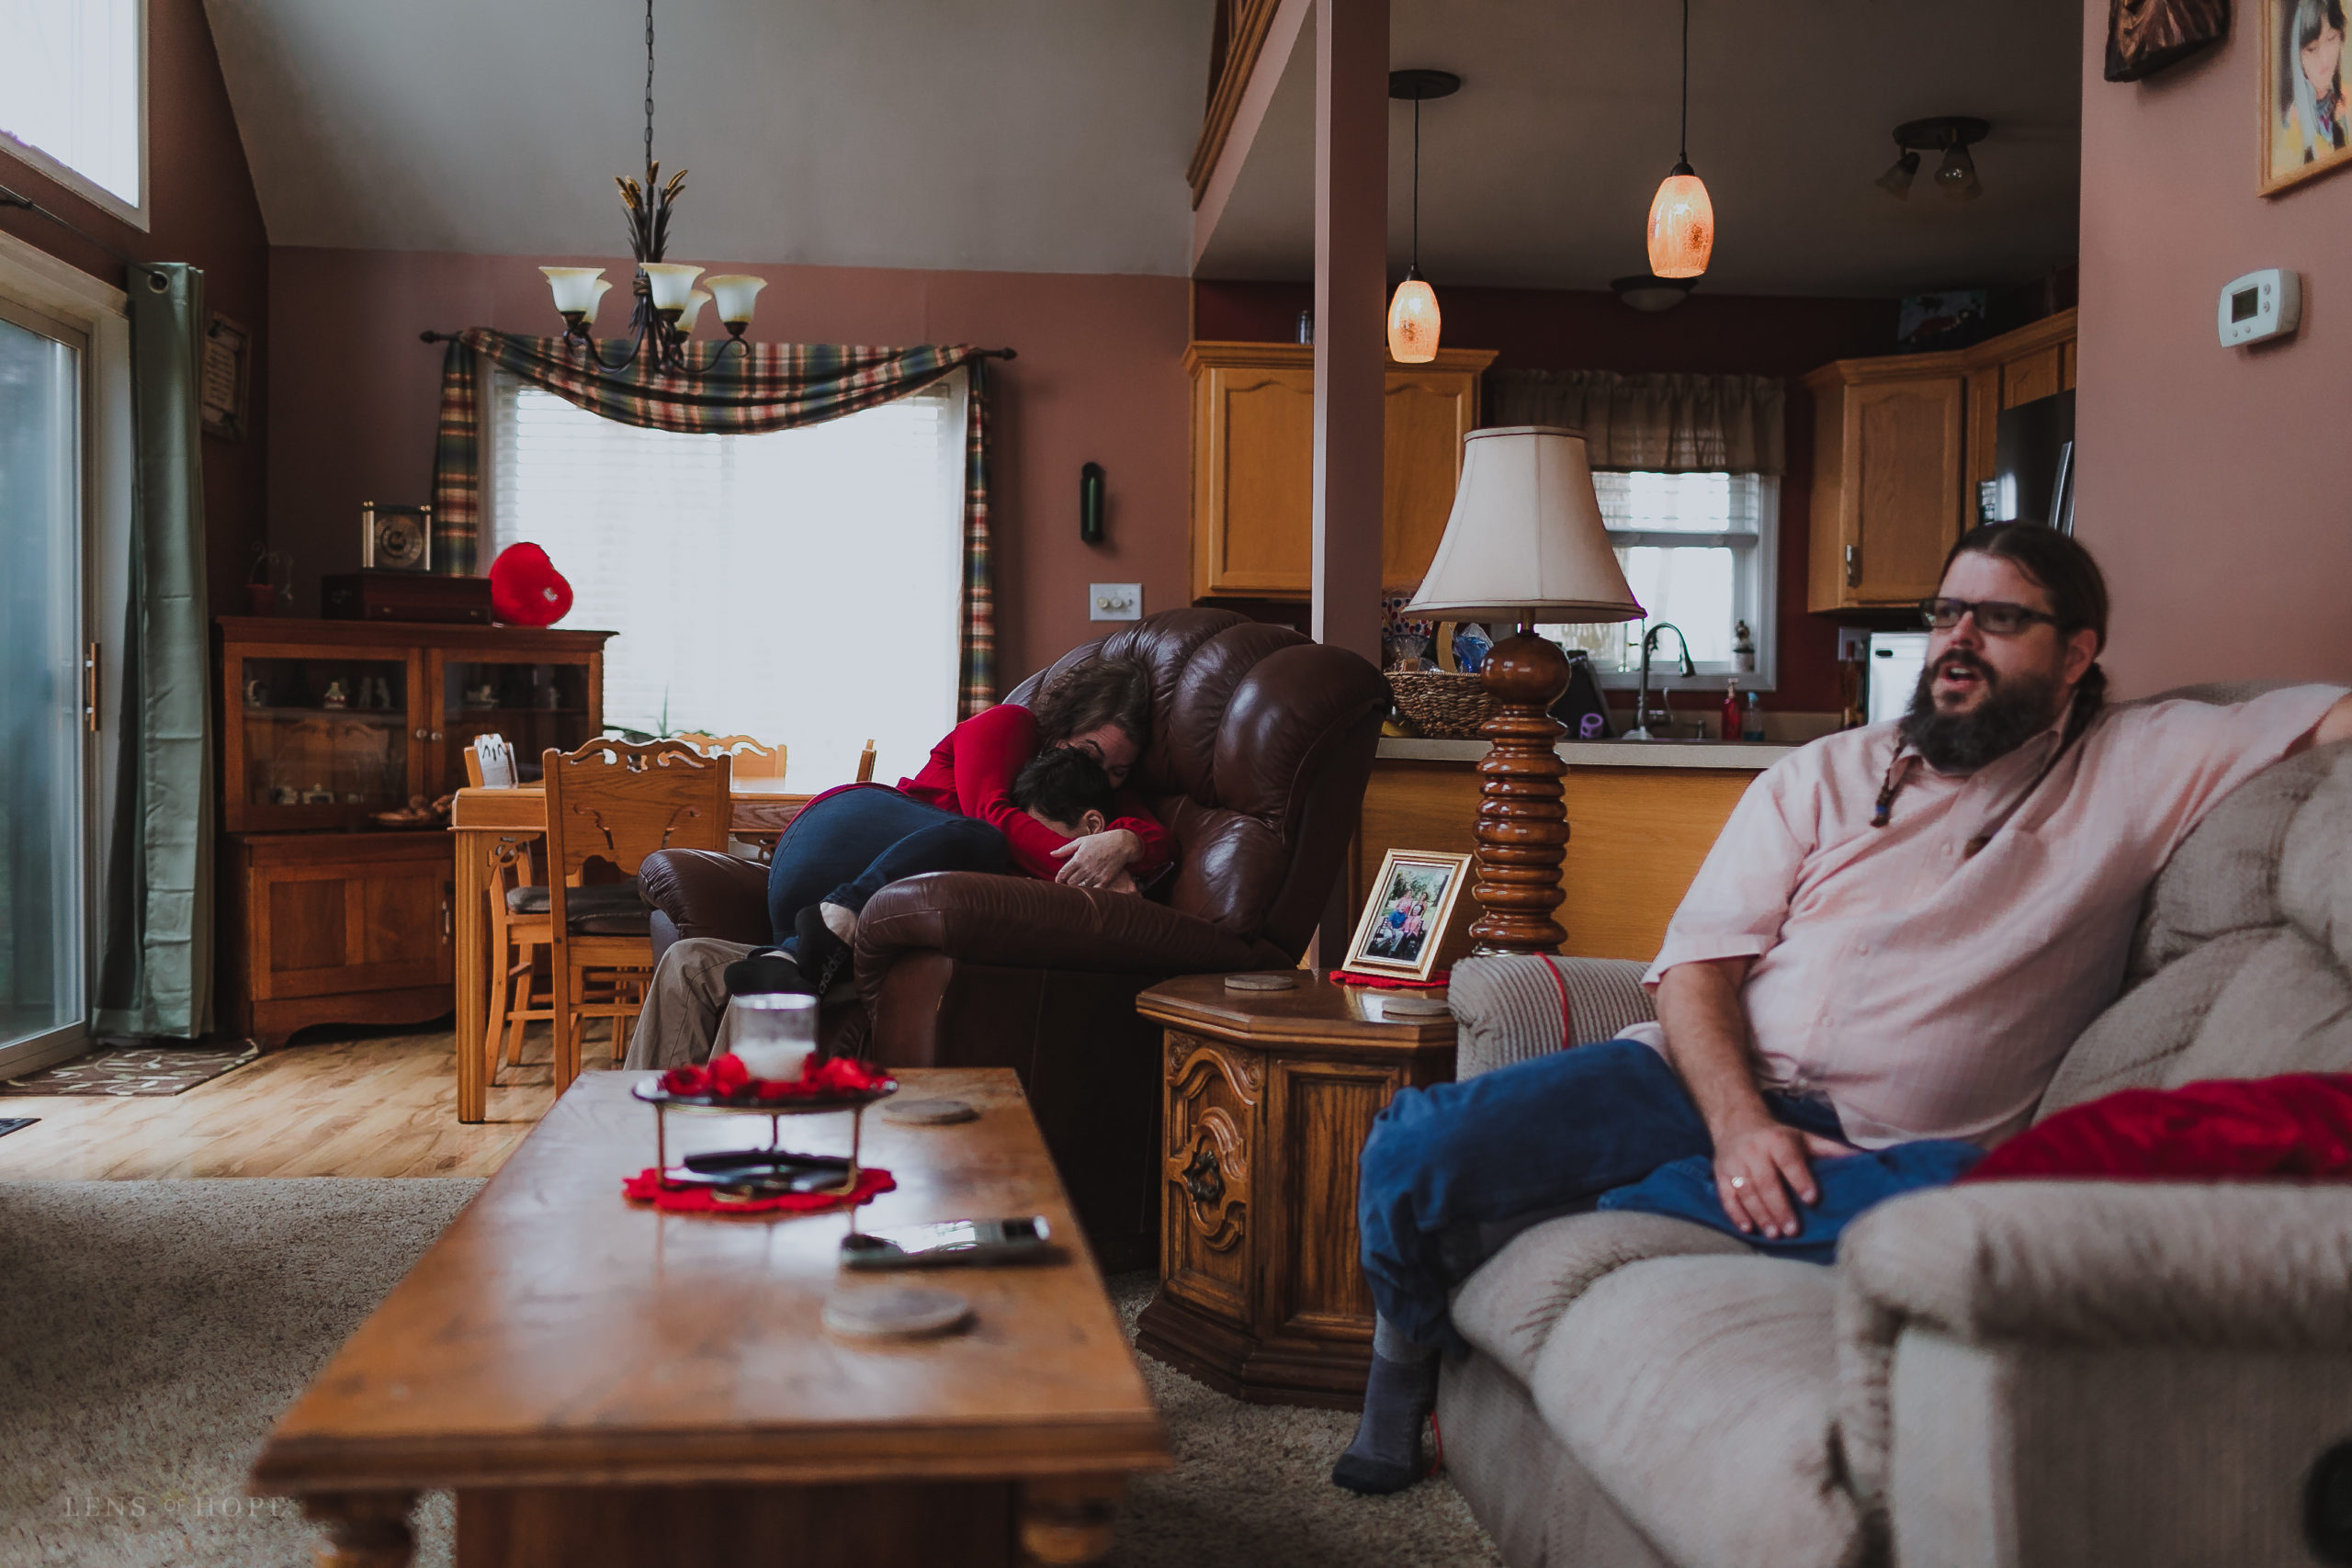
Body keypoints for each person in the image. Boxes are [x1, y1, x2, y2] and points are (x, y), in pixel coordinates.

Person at [1330, 524, 2352, 1495]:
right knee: (1412, 1148)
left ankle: (1650, 1195)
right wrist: (1738, 1129)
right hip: (1691, 1083)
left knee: (1987, 1203)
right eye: (1947, 612)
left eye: (1997, 620)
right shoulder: (1825, 771)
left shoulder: (2143, 759)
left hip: (1887, 1148)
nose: (1956, 639)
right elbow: (1696, 970)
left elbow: (2333, 717)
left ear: (2076, 652)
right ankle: (1407, 1355)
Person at [620, 656, 1170, 1071]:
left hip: (863, 923)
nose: (1108, 780)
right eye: (1094, 755)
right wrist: (1090, 867)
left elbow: (1159, 835)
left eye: (1120, 773)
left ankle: (648, 1154)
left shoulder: (1094, 795)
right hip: (853, 848)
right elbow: (991, 820)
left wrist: (1128, 845)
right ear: (1062, 726)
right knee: (979, 838)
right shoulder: (1007, 726)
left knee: (692, 963)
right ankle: (816, 940)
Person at [2278, 0, 2347, 176]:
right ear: (2296, 55)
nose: (2325, 60)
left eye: (2331, 38)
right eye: (2312, 49)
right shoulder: (2292, 126)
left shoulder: (2346, 103)